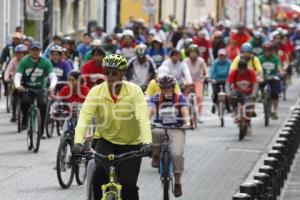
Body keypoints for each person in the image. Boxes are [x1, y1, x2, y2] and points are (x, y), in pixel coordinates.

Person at [73, 54, 152, 200]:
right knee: (99, 178)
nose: (109, 76)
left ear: (123, 74)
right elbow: (84, 118)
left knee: (128, 185)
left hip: (131, 144)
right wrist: (78, 142)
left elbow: (143, 119)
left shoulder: (135, 91)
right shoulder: (96, 91)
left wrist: (147, 143)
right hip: (105, 141)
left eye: (114, 72)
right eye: (106, 72)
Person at [148, 74, 190, 197]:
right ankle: (155, 155)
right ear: (160, 89)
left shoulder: (179, 98)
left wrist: (187, 122)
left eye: (169, 88)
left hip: (177, 128)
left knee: (177, 154)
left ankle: (177, 182)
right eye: (164, 88)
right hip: (160, 127)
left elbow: (185, 111)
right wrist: (146, 120)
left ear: (173, 88)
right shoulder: (155, 98)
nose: (167, 90)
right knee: (154, 131)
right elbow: (149, 110)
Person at [14, 41, 57, 139]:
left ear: (40, 51)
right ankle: (24, 118)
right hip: (27, 88)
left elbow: (53, 76)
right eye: (33, 50)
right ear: (29, 51)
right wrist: (18, 86)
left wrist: (52, 86)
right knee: (25, 102)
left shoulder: (45, 61)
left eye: (37, 50)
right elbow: (18, 75)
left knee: (43, 105)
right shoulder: (24, 61)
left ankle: (41, 131)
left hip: (41, 88)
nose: (35, 52)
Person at [226, 59, 258, 134]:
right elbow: (228, 83)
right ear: (238, 68)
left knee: (249, 107)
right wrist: (228, 93)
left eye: (244, 69)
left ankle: (248, 123)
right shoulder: (234, 72)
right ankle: (235, 110)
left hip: (248, 93)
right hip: (237, 91)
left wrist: (253, 94)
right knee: (231, 96)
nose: (242, 71)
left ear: (246, 68)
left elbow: (255, 84)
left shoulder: (251, 72)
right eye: (241, 69)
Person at [183, 44, 208, 122]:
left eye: (195, 52)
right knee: (184, 98)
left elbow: (205, 69)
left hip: (198, 81)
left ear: (197, 53)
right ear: (188, 53)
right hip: (188, 81)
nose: (193, 54)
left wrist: (206, 75)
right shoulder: (185, 61)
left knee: (199, 97)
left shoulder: (201, 60)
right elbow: (183, 71)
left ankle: (199, 116)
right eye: (191, 52)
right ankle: (185, 114)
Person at [258, 42, 282, 119]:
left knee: (274, 95)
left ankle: (274, 111)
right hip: (263, 77)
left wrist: (281, 72)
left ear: (272, 50)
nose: (267, 51)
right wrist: (258, 76)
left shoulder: (275, 58)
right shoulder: (260, 58)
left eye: (269, 50)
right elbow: (258, 68)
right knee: (259, 84)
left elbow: (279, 67)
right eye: (266, 50)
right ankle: (261, 95)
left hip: (273, 77)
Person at [4, 44, 27, 122]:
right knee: (15, 97)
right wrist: (6, 78)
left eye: (21, 53)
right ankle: (14, 114)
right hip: (16, 80)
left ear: (24, 53)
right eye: (17, 53)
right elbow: (8, 70)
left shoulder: (28, 60)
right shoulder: (13, 60)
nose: (19, 54)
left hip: (27, 81)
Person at [210, 49, 231, 113]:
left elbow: (231, 71)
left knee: (227, 93)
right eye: (220, 56)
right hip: (216, 80)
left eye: (223, 55)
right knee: (215, 93)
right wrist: (212, 78)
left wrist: (230, 79)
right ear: (218, 56)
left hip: (226, 80)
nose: (221, 57)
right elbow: (212, 71)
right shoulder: (215, 62)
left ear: (225, 56)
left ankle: (228, 107)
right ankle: (214, 106)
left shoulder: (229, 62)